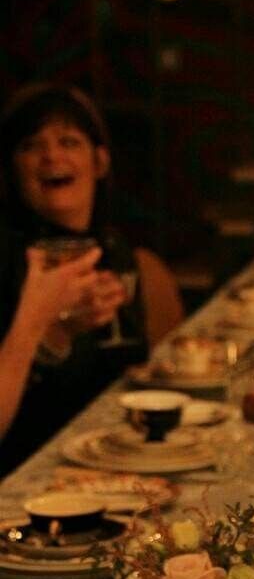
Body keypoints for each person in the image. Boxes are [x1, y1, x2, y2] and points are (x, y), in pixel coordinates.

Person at [0, 83, 183, 475]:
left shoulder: (124, 256)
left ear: (100, 161)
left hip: (129, 462)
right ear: (12, 169)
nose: (52, 155)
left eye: (69, 141)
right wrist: (45, 324)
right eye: (31, 146)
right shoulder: (11, 262)